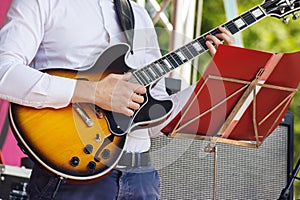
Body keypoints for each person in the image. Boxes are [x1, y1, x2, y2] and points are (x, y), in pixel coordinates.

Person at [0, 0, 235, 199]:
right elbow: (4, 72)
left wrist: (213, 79)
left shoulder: (139, 15)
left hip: (141, 177)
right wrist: (94, 92)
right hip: (72, 175)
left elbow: (155, 121)